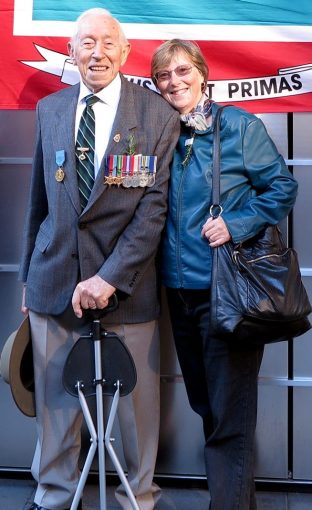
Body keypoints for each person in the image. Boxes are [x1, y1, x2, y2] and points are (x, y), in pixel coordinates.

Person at [19, 8, 180, 510]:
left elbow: (154, 212)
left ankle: (139, 498)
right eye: (86, 42)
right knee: (56, 404)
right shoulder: (50, 109)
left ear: (125, 52)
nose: (98, 52)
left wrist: (109, 278)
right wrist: (29, 275)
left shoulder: (156, 114)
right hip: (54, 281)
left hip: (126, 286)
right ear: (72, 52)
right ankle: (54, 496)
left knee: (133, 408)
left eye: (108, 43)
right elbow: (38, 201)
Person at [151, 39, 298, 510]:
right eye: (162, 76)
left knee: (229, 415)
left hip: (227, 292)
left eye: (180, 71)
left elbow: (282, 186)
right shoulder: (160, 132)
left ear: (202, 72)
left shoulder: (237, 125)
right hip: (178, 293)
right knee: (208, 406)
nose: (173, 82)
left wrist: (235, 223)